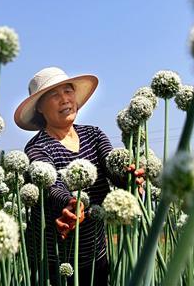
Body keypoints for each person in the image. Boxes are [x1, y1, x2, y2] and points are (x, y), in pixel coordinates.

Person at [14, 67, 143, 286]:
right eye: (54, 95)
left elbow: (111, 166)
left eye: (68, 91)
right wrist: (70, 203)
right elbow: (50, 183)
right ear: (40, 109)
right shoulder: (36, 148)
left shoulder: (94, 135)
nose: (64, 99)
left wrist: (129, 177)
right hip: (52, 262)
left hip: (95, 257)